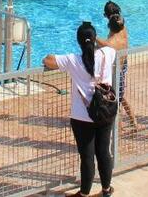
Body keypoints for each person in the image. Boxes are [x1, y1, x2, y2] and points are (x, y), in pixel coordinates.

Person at [43, 22, 116, 197]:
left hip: (82, 117)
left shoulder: (73, 60)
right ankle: (106, 190)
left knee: (87, 157)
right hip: (106, 111)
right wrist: (94, 38)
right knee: (104, 151)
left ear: (79, 42)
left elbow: (48, 60)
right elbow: (110, 46)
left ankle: (84, 194)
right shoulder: (107, 54)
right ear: (94, 39)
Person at [97, 12, 138, 132]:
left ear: (109, 27)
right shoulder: (123, 35)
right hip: (120, 71)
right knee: (121, 97)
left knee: (115, 103)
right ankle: (133, 120)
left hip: (113, 76)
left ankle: (119, 130)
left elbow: (94, 40)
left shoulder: (108, 44)